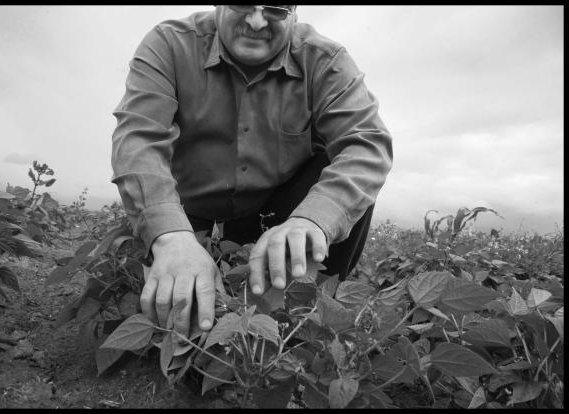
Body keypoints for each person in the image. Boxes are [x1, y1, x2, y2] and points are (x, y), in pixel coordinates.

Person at [111, 5, 393, 339]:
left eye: (274, 8)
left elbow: (366, 146)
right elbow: (139, 139)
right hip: (187, 208)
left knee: (344, 179)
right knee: (180, 313)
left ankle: (308, 315)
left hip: (270, 209)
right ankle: (192, 254)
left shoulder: (324, 60)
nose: (257, 21)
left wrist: (311, 220)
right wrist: (171, 238)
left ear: (293, 11)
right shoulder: (170, 44)